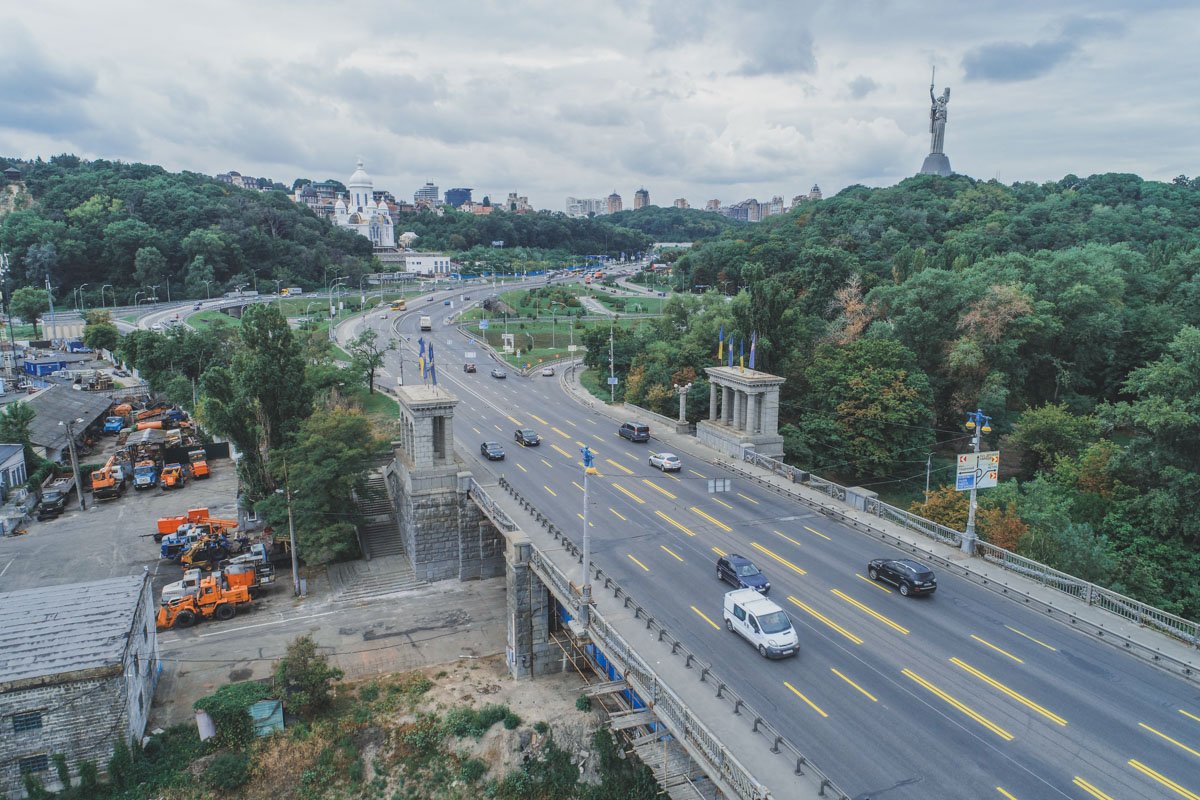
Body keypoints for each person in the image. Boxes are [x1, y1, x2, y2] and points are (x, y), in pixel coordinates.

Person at [929, 86, 950, 154]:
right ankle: (934, 151)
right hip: (937, 121)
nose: (944, 100)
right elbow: (932, 98)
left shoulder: (945, 107)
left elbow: (947, 97)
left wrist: (947, 91)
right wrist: (931, 91)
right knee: (936, 135)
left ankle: (940, 151)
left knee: (941, 137)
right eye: (942, 99)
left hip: (942, 122)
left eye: (944, 99)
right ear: (940, 100)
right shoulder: (936, 104)